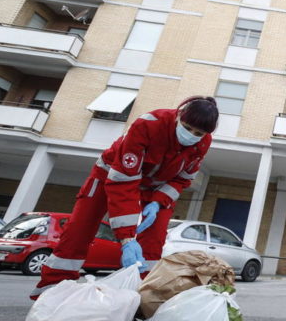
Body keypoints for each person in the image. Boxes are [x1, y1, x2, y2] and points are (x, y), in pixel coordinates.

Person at [31, 96, 219, 300]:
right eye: (187, 127)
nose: (191, 135)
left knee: (154, 242)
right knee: (79, 229)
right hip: (112, 173)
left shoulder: (203, 142)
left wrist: (157, 202)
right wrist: (127, 237)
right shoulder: (148, 124)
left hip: (155, 188)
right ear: (179, 115)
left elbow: (183, 179)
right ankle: (51, 290)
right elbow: (124, 181)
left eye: (198, 133)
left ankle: (141, 297)